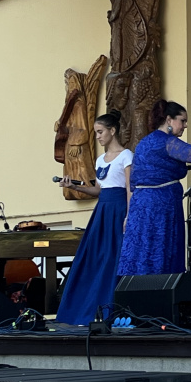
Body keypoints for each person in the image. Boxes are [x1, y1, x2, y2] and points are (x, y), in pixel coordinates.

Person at [117, 100, 191, 276]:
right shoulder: (167, 142)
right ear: (168, 120)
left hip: (140, 206)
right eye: (182, 120)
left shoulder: (143, 143)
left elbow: (133, 182)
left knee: (141, 249)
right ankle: (159, 292)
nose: (185, 125)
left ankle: (135, 293)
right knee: (162, 248)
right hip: (161, 205)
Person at [56, 110, 132, 325]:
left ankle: (111, 309)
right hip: (102, 211)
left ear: (112, 131)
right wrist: (74, 187)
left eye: (100, 132)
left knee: (113, 257)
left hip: (118, 210)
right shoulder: (100, 160)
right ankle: (82, 310)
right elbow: (99, 190)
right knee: (94, 257)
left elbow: (129, 189)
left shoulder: (127, 156)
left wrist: (129, 215)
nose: (98, 136)